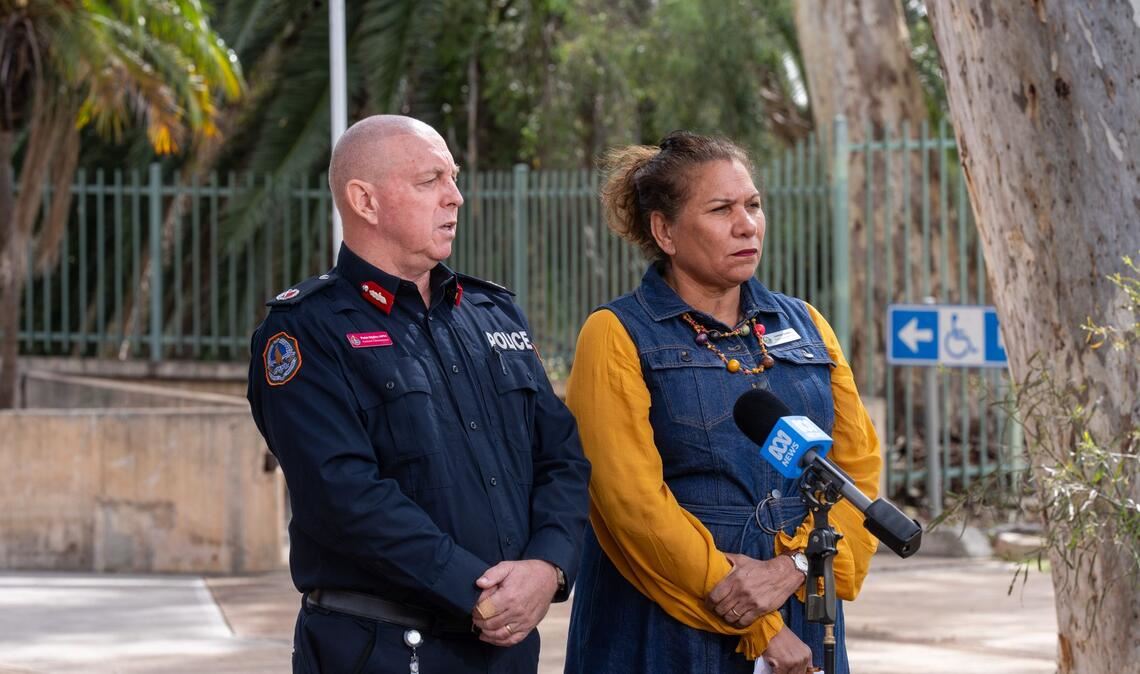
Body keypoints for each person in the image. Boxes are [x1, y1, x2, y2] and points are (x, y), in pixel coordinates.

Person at [247, 114, 590, 674]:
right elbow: (344, 496)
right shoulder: (308, 330)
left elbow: (563, 457)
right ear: (365, 200)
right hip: (379, 648)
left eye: (453, 178)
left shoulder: (490, 313)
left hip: (505, 649)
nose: (454, 197)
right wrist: (473, 591)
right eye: (430, 181)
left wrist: (547, 567)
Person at [562, 131, 881, 674]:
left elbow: (857, 474)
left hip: (802, 611)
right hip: (670, 626)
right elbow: (632, 507)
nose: (746, 224)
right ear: (665, 230)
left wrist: (795, 567)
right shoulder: (615, 333)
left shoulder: (807, 325)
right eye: (721, 209)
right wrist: (760, 627)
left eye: (753, 205)